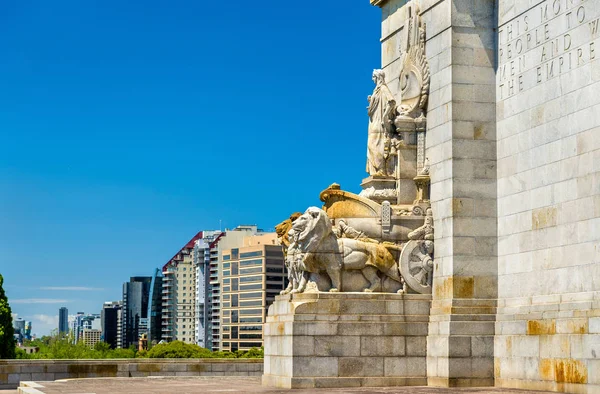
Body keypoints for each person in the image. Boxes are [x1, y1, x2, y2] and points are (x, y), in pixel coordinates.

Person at [366, 69, 397, 176]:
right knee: (372, 144)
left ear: (378, 77)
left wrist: (385, 116)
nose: (372, 79)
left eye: (373, 77)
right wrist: (372, 101)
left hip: (379, 122)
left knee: (375, 144)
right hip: (374, 121)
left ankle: (381, 170)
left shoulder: (383, 89)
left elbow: (392, 101)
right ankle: (375, 170)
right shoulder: (377, 90)